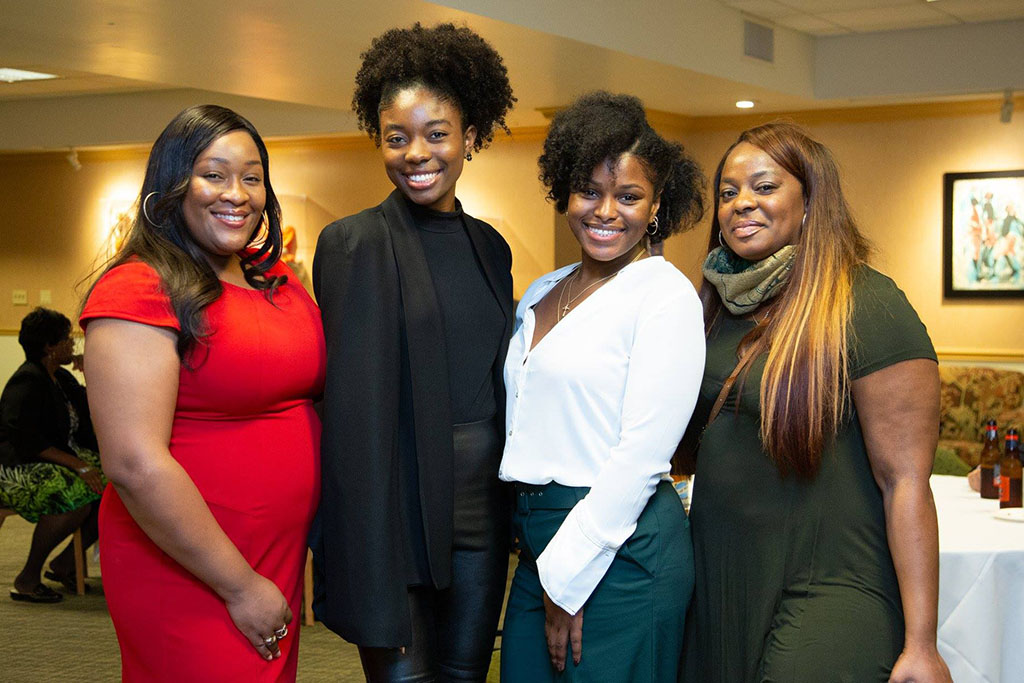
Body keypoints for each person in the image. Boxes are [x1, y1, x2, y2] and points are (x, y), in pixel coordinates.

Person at [682, 122, 951, 682]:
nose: (741, 204)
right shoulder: (712, 306)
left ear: (809, 202)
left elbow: (905, 481)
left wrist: (922, 643)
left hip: (829, 583)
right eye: (728, 192)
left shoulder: (865, 302)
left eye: (763, 186)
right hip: (721, 582)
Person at [80, 104, 325, 681]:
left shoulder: (276, 277)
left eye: (252, 176)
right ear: (171, 185)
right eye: (213, 174)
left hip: (275, 555)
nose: (236, 193)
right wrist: (238, 585)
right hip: (193, 564)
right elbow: (134, 463)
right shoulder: (139, 289)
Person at [310, 22, 516, 682]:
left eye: (436, 134)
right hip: (393, 510)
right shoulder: (352, 243)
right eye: (396, 137)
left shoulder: (491, 247)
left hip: (480, 513)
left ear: (471, 138)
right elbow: (351, 405)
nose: (415, 153)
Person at [499, 92, 706, 682]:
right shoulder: (543, 289)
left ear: (657, 205)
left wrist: (570, 574)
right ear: (565, 191)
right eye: (590, 190)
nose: (606, 211)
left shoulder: (662, 296)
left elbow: (641, 458)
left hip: (621, 546)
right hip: (538, 543)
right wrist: (548, 567)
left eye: (629, 196)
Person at [0, 307, 104, 602]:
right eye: (66, 340)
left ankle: (66, 563)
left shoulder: (61, 379)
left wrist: (91, 368)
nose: (72, 345)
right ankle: (27, 577)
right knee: (72, 497)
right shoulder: (28, 381)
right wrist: (79, 465)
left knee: (117, 487)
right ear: (49, 347)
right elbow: (25, 439)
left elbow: (89, 409)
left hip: (56, 457)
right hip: (16, 465)